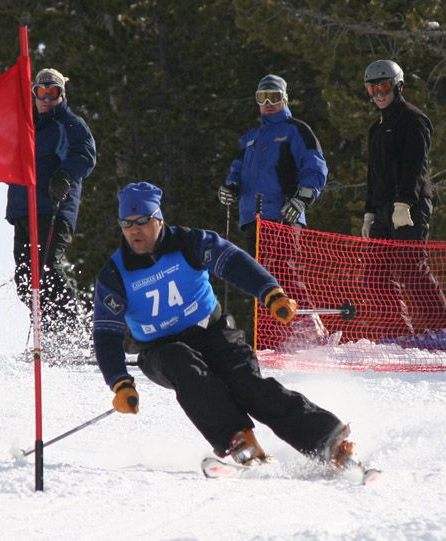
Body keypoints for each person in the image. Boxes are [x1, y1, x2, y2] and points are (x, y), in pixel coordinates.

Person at [92, 181, 356, 468]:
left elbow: (234, 263)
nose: (134, 230)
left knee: (248, 385)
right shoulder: (114, 274)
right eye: (126, 223)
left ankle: (328, 440)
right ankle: (239, 441)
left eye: (142, 220)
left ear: (159, 219)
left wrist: (271, 292)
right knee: (185, 366)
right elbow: (107, 332)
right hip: (160, 350)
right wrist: (119, 382)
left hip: (213, 332)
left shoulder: (190, 243)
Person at [217, 74, 328, 346]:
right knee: (261, 278)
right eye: (262, 98)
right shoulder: (250, 138)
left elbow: (315, 165)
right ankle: (271, 337)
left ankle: (310, 333)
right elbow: (237, 170)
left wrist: (302, 198)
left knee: (285, 272)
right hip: (251, 219)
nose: (268, 104)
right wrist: (230, 187)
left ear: (284, 99)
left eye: (274, 98)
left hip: (282, 215)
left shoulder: (295, 130)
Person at [6, 68, 96, 331]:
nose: (46, 98)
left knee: (46, 268)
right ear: (33, 94)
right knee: (25, 278)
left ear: (61, 94)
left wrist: (65, 175)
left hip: (52, 208)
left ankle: (73, 332)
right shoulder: (26, 128)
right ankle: (48, 334)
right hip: (23, 209)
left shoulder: (69, 124)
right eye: (41, 92)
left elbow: (85, 156)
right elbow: (8, 157)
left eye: (53, 92)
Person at [361, 59, 446, 337]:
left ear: (398, 86)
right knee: (373, 274)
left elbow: (415, 165)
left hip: (409, 206)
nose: (378, 94)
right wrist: (370, 211)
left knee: (411, 269)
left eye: (384, 87)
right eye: (372, 89)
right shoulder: (377, 127)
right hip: (383, 209)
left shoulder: (413, 118)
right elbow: (374, 174)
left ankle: (441, 329)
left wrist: (404, 202)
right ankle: (398, 331)